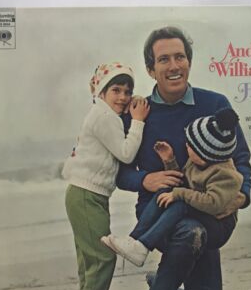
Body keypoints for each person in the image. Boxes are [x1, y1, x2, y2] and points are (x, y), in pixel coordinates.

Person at [116, 27, 251, 290]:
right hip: (159, 212)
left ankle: (164, 287)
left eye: (180, 57)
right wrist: (144, 180)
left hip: (212, 213)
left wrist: (241, 196)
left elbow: (241, 159)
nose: (174, 65)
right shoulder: (137, 114)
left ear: (189, 62)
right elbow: (119, 173)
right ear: (151, 69)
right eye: (164, 59)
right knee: (189, 232)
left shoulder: (214, 104)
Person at [62, 62, 150, 290]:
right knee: (103, 257)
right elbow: (126, 153)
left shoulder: (104, 113)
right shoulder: (103, 117)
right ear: (101, 91)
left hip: (89, 195)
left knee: (90, 260)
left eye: (127, 91)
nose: (123, 97)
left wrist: (130, 112)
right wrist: (138, 121)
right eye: (116, 90)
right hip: (85, 195)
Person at [102, 107, 243, 268]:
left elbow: (213, 203)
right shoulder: (196, 161)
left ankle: (144, 246)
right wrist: (169, 160)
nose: (186, 145)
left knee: (180, 203)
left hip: (218, 227)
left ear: (204, 154)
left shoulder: (226, 175)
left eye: (190, 145)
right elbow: (183, 185)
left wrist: (178, 194)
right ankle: (134, 240)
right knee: (166, 189)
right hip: (203, 213)